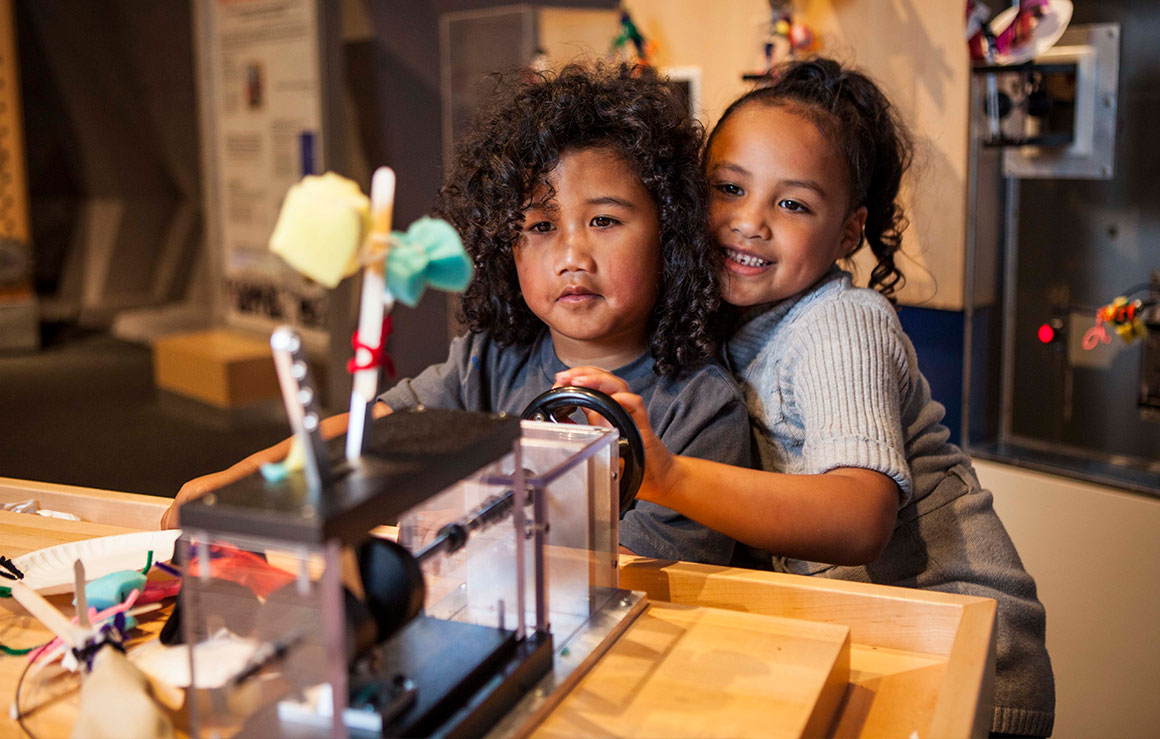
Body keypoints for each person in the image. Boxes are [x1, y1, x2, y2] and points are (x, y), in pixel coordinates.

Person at [557, 58, 1054, 736]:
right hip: (871, 637)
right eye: (727, 187)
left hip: (964, 656)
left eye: (792, 204)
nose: (749, 221)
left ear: (849, 231)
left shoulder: (838, 324)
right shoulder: (728, 322)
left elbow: (858, 517)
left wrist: (665, 474)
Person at [162, 63, 750, 566]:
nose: (572, 256)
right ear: (504, 245)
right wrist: (242, 483)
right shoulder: (487, 362)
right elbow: (375, 430)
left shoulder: (700, 403)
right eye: (540, 227)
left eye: (604, 221)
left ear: (669, 232)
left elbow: (655, 575)